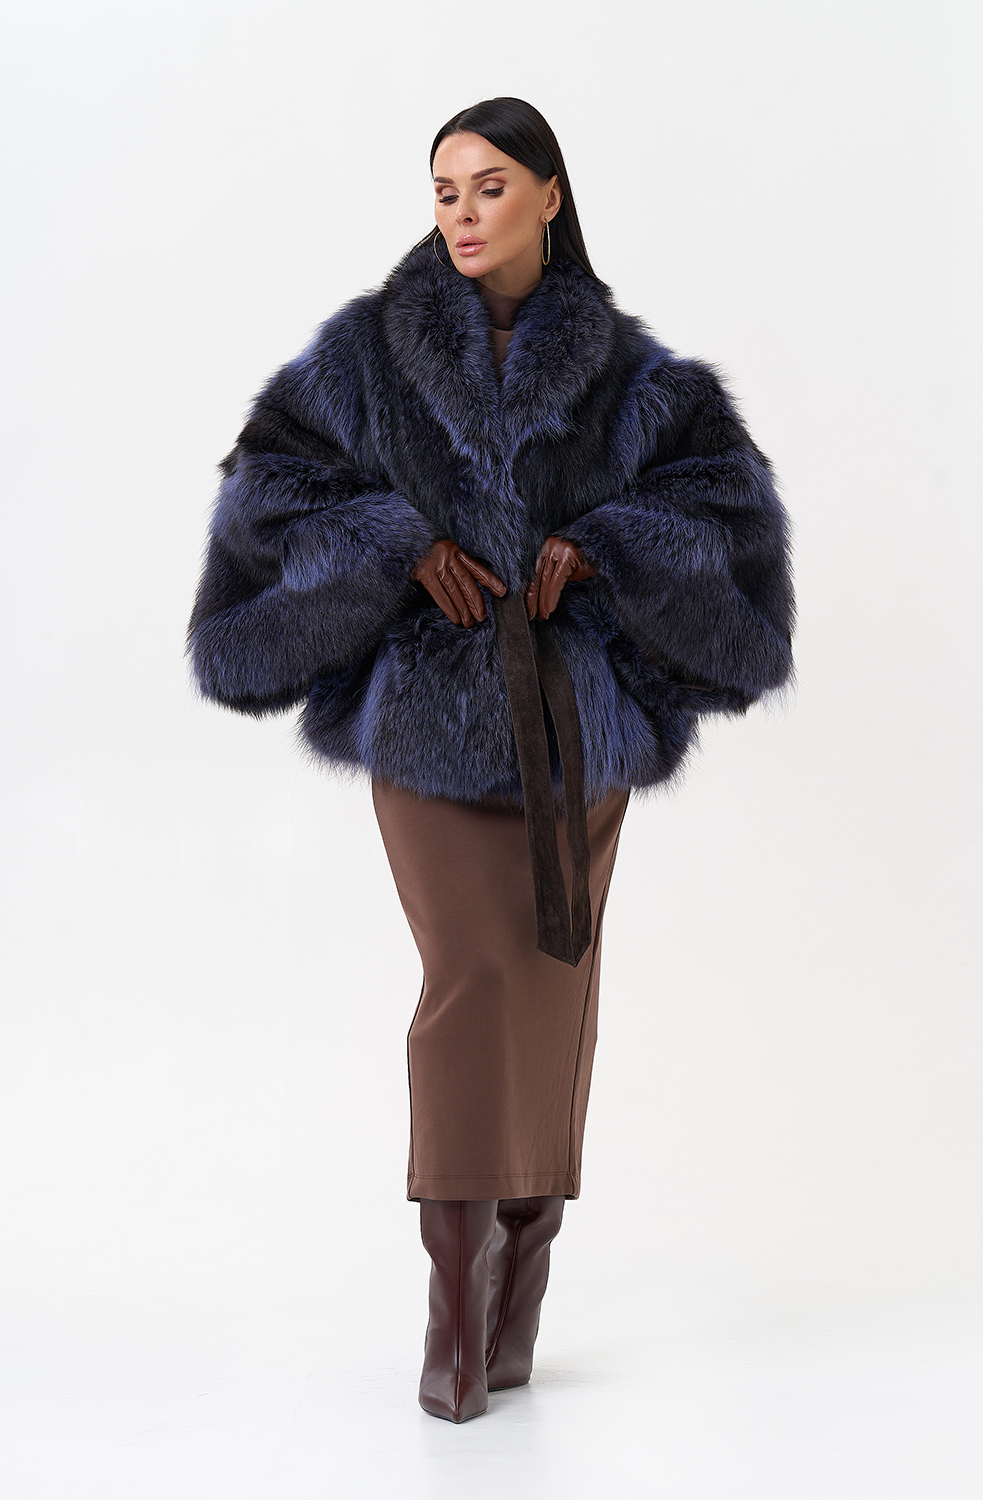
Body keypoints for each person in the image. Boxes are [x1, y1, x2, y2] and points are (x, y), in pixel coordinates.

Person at [185, 96, 796, 1424]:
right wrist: (396, 540)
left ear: (552, 195)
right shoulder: (365, 357)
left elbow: (731, 507)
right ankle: (454, 1319)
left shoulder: (639, 378)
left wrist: (609, 545)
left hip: (577, 731)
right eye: (445, 190)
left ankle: (522, 1295)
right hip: (427, 721)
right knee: (470, 984)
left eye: (491, 186)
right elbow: (265, 486)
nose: (462, 214)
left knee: (551, 996)